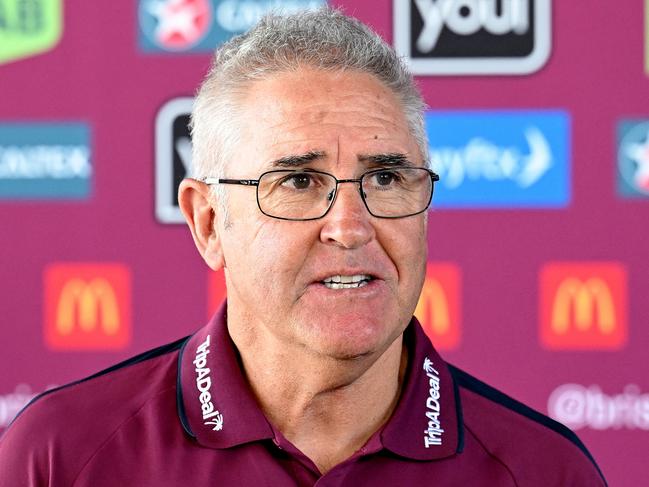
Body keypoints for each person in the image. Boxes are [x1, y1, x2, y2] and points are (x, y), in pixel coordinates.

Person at [0, 7, 606, 486]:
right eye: (297, 182)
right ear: (208, 223)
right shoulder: (59, 457)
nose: (350, 226)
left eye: (387, 179)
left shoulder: (545, 471)